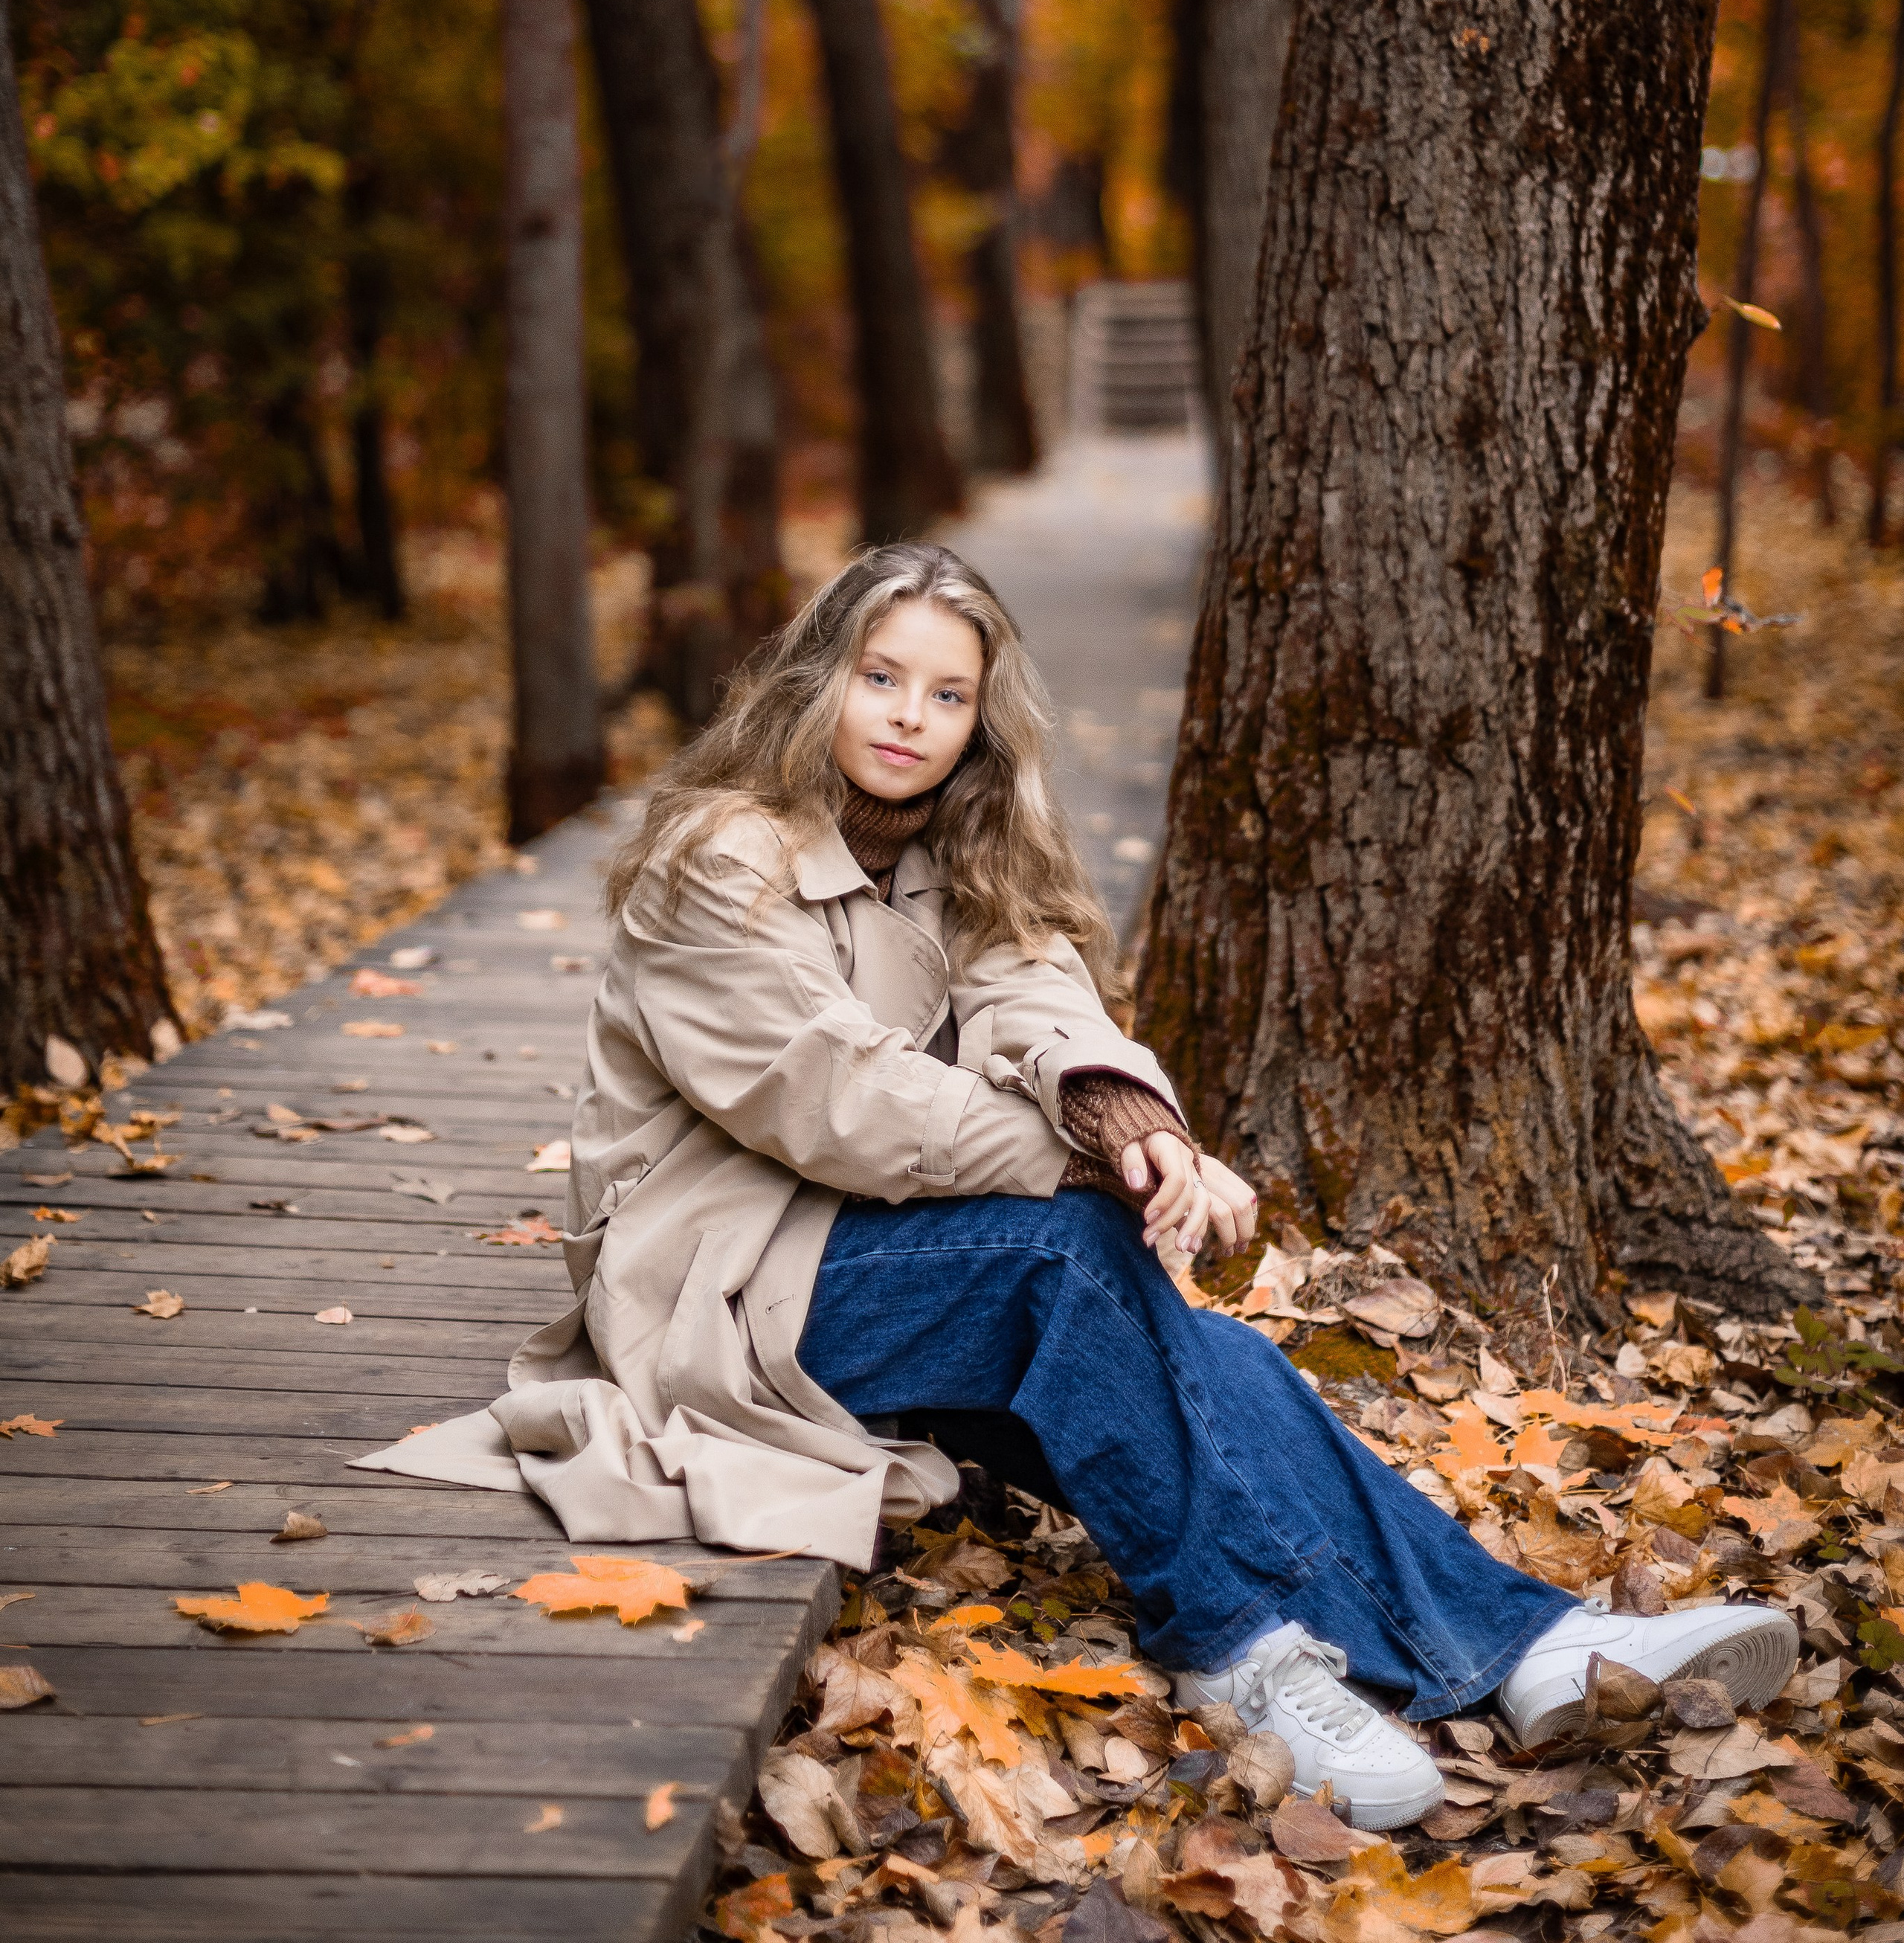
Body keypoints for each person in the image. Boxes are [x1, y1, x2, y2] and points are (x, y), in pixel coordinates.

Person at [358, 544, 1798, 1828]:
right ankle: (1238, 1651)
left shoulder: (963, 849)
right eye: (880, 678)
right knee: (1067, 1257)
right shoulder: (711, 868)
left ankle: (1530, 1653)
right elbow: (839, 1107)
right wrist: (1089, 1162)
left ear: (979, 720)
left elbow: (1037, 1002)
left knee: (1191, 1348)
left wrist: (1126, 1118)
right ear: (818, 684)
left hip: (882, 1260)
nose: (909, 717)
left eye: (944, 694)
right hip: (726, 1282)